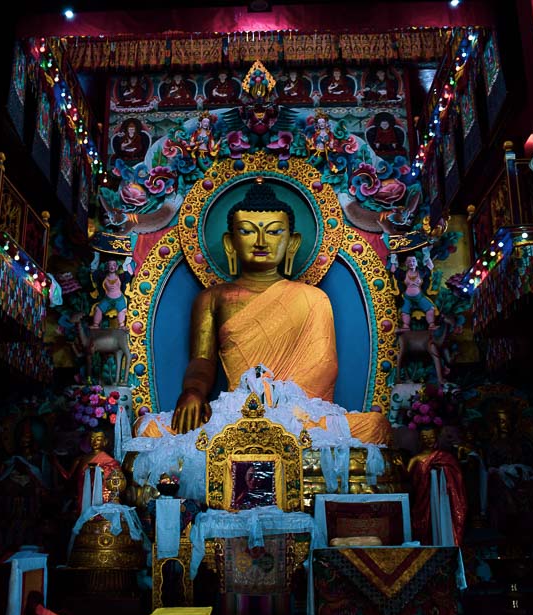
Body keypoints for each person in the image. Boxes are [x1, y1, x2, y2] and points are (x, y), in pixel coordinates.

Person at [138, 178, 389, 445]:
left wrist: (279, 401)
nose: (260, 241)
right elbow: (202, 361)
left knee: (375, 427)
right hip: (238, 412)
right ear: (229, 243)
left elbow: (324, 367)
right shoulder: (213, 298)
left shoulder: (314, 298)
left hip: (300, 413)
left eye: (273, 232)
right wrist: (192, 392)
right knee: (147, 429)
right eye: (247, 232)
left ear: (292, 243)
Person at [407, 424, 466, 545]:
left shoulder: (446, 457)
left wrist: (442, 471)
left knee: (442, 521)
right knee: (422, 526)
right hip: (422, 498)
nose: (428, 441)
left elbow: (457, 476)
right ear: (420, 439)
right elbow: (407, 478)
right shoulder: (416, 459)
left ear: (437, 437)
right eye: (425, 438)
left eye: (431, 437)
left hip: (441, 500)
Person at [391, 253, 437, 331]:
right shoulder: (403, 274)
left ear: (416, 262)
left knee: (430, 309)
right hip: (407, 298)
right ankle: (405, 326)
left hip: (419, 297)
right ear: (406, 263)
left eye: (413, 261)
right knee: (404, 311)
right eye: (409, 261)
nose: (411, 263)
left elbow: (430, 266)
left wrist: (426, 252)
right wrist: (393, 257)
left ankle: (431, 324)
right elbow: (393, 270)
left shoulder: (421, 272)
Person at [91, 259, 128, 329]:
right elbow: (94, 272)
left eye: (114, 265)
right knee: (98, 309)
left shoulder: (121, 276)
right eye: (110, 265)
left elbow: (127, 273)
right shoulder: (103, 277)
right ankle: (95, 325)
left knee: (122, 311)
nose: (112, 267)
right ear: (107, 267)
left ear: (117, 267)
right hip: (107, 299)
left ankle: (122, 326)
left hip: (119, 299)